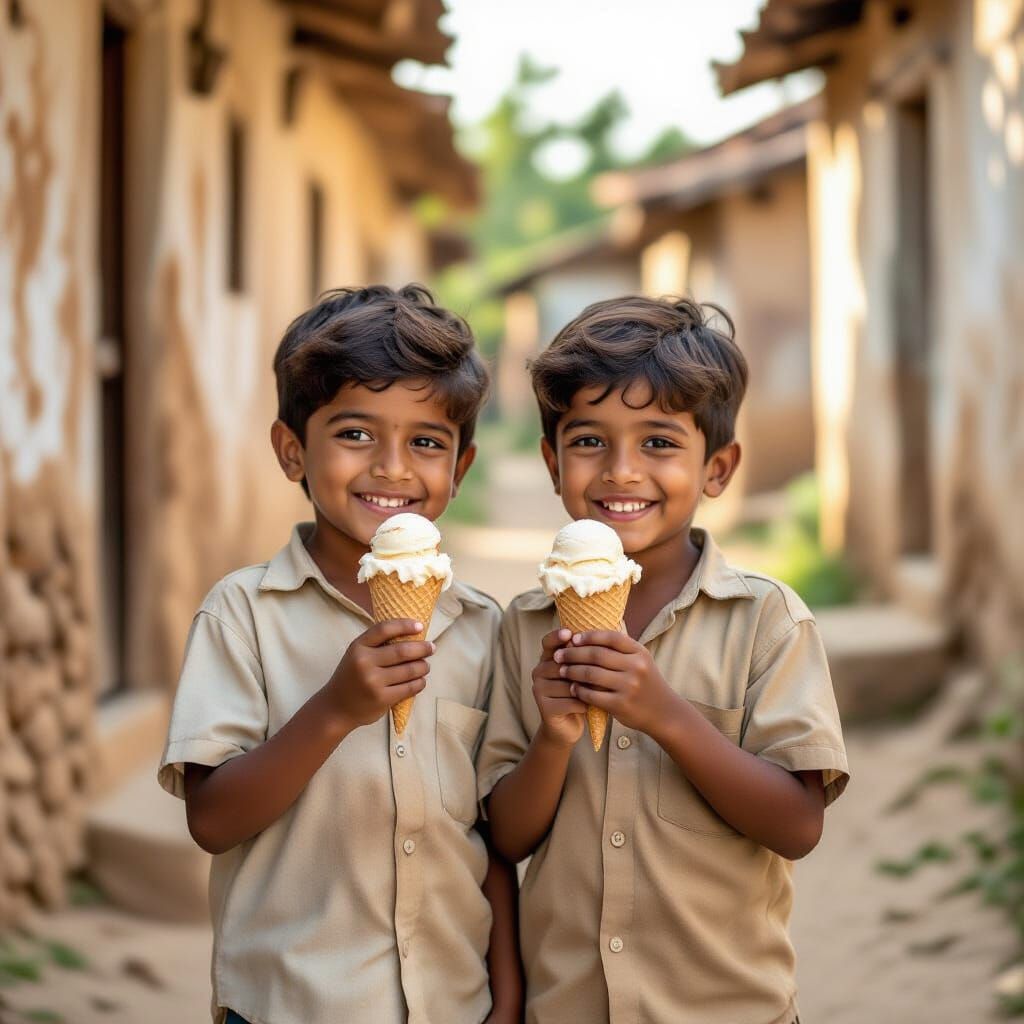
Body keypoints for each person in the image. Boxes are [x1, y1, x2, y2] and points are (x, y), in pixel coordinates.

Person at [478, 295, 849, 1024]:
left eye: (658, 443)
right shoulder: (523, 631)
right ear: (552, 462)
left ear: (718, 468)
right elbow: (505, 834)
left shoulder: (765, 621)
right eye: (588, 441)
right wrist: (553, 742)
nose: (621, 471)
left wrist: (667, 716)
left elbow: (797, 827)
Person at [158, 285, 522, 1024]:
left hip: (451, 1004)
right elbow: (213, 819)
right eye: (355, 434)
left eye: (426, 441)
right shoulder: (243, 616)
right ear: (293, 449)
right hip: (289, 1005)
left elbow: (491, 838)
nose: (392, 467)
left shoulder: (484, 630)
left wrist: (508, 994)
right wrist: (333, 712)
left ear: (461, 465)